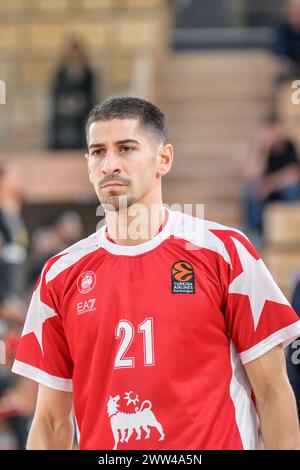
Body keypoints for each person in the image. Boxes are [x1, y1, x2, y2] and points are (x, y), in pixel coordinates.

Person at [12, 97, 300, 450]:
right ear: (88, 164)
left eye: (126, 148)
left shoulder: (226, 253)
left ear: (163, 159)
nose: (109, 164)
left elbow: (272, 393)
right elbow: (52, 422)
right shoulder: (60, 275)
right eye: (98, 152)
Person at [243, 114, 300, 245]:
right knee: (250, 189)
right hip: (265, 192)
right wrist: (262, 149)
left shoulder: (288, 146)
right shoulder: (260, 148)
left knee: (292, 187)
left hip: (281, 191)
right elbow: (251, 175)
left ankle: (290, 227)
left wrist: (270, 185)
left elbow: (292, 174)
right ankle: (255, 234)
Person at [49, 38, 96, 150]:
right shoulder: (61, 72)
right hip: (64, 107)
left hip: (83, 108)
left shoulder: (88, 73)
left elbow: (91, 94)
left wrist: (78, 102)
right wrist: (66, 103)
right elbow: (56, 93)